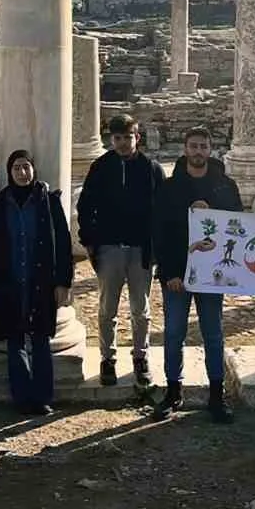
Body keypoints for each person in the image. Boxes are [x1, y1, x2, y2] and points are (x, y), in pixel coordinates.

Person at [151, 126, 243, 424]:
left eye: (203, 146)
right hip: (178, 275)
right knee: (174, 333)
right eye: (193, 146)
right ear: (185, 149)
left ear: (211, 149)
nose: (198, 151)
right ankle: (173, 391)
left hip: (213, 275)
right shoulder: (169, 187)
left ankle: (216, 396)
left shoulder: (225, 186)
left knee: (214, 335)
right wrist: (168, 273)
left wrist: (211, 210)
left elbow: (237, 224)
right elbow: (160, 233)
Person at [0, 150, 74, 416]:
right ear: (9, 173)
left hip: (40, 280)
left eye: (26, 167)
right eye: (17, 169)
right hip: (9, 280)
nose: (22, 173)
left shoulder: (49, 202)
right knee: (15, 339)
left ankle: (43, 397)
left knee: (41, 337)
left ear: (34, 170)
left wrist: (63, 282)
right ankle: (22, 397)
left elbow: (63, 245)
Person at [76, 114, 164, 388]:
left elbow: (163, 211)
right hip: (110, 248)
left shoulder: (151, 168)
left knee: (141, 308)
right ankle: (108, 359)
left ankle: (141, 357)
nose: (123, 143)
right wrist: (91, 242)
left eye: (128, 137)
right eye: (118, 138)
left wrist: (157, 248)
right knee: (107, 309)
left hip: (140, 249)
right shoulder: (101, 167)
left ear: (137, 137)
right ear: (110, 139)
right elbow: (85, 206)